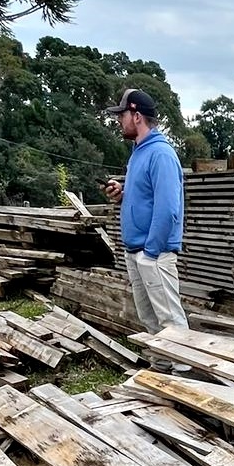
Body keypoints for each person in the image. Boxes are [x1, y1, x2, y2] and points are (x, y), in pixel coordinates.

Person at [100, 89, 190, 360]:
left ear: (137, 116)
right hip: (137, 252)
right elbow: (149, 197)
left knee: (171, 324)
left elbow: (168, 209)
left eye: (122, 115)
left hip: (155, 253)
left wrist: (150, 253)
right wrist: (124, 192)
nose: (119, 121)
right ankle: (162, 370)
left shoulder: (161, 154)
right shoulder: (139, 152)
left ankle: (185, 377)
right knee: (151, 323)